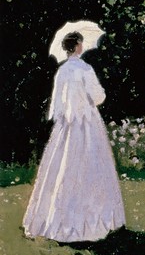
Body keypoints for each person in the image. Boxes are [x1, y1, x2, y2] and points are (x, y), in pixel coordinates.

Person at [23, 31, 126, 242]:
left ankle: (56, 221)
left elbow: (57, 102)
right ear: (78, 46)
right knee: (90, 166)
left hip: (66, 125)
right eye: (80, 43)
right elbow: (98, 97)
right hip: (87, 123)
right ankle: (92, 224)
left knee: (62, 168)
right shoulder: (85, 69)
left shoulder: (62, 71)